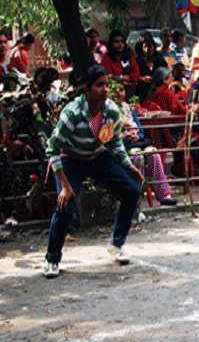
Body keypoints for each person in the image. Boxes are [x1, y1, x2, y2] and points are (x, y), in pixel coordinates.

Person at [42, 65, 144, 278]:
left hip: (97, 156)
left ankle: (116, 244)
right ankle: (52, 258)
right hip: (70, 159)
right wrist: (64, 185)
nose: (105, 90)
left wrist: (129, 166)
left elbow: (114, 143)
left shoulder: (111, 111)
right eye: (99, 85)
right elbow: (52, 148)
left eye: (107, 85)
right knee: (66, 204)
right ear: (87, 88)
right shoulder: (72, 113)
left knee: (131, 190)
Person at [101, 30, 140, 99]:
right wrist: (124, 79)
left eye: (122, 41)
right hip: (114, 92)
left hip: (130, 91)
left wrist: (122, 79)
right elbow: (109, 76)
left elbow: (136, 75)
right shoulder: (106, 58)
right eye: (116, 42)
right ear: (111, 43)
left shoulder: (129, 56)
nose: (120, 44)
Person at [135, 33, 168, 102]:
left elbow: (166, 76)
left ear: (154, 47)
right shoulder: (139, 62)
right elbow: (134, 76)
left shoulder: (160, 61)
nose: (147, 49)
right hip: (142, 94)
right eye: (145, 47)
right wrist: (142, 79)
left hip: (158, 94)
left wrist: (154, 79)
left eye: (149, 46)